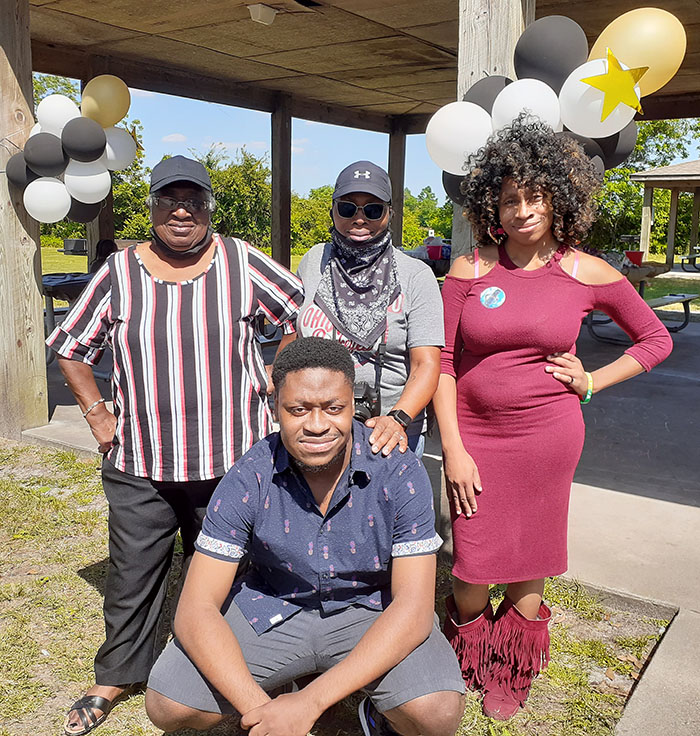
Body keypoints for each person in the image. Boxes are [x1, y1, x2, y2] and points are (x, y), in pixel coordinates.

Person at [47, 155, 304, 736]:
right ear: (153, 207)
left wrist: (279, 373)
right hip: (144, 461)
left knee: (236, 572)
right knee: (134, 572)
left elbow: (294, 311)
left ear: (210, 207)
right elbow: (69, 346)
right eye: (168, 199)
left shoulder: (241, 261)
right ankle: (115, 673)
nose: (181, 210)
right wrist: (96, 411)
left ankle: (247, 665)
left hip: (231, 462)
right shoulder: (119, 272)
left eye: (193, 199)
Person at [432, 118, 673, 721]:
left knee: (530, 561)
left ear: (556, 196)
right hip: (476, 439)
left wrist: (592, 380)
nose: (521, 210)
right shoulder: (471, 270)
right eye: (509, 198)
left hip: (548, 439)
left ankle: (511, 671)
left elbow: (653, 339)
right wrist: (454, 450)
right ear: (493, 203)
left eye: (533, 195)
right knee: (471, 564)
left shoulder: (586, 272)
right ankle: (467, 660)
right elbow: (441, 364)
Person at [144, 337, 465, 736]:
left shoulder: (398, 472)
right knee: (169, 703)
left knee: (436, 712)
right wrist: (266, 714)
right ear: (275, 407)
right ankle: (281, 684)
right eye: (298, 410)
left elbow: (414, 611)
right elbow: (195, 611)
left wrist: (308, 705)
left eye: (334, 408)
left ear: (355, 405)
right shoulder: (249, 476)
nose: (316, 425)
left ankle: (371, 707)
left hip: (369, 610)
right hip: (273, 606)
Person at [295, 161, 443, 458]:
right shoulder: (313, 261)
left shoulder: (415, 275)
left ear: (389, 213)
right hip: (319, 429)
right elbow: (295, 340)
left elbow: (426, 364)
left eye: (373, 209)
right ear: (333, 211)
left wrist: (397, 419)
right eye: (348, 208)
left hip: (391, 433)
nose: (359, 219)